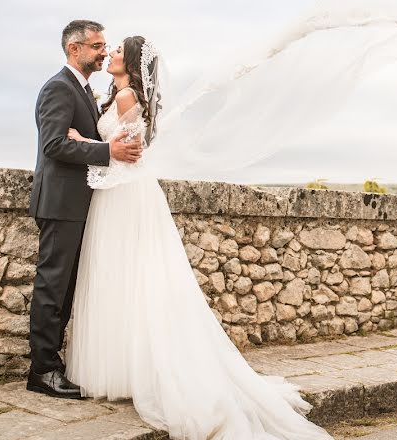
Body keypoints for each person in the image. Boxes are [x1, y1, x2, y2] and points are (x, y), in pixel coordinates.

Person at [64, 35, 333, 440]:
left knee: (127, 279)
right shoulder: (122, 95)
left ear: (132, 62)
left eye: (118, 50)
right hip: (126, 195)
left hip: (123, 196)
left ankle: (131, 371)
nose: (111, 54)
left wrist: (82, 141)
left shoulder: (124, 98)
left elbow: (124, 154)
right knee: (134, 280)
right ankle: (129, 368)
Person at [28, 20, 142, 399]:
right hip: (61, 203)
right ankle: (42, 370)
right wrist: (105, 150)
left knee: (65, 289)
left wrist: (96, 144)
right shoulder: (59, 88)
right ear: (74, 49)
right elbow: (54, 146)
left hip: (79, 203)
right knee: (52, 286)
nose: (103, 51)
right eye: (96, 45)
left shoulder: (84, 90)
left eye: (105, 45)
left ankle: (53, 366)